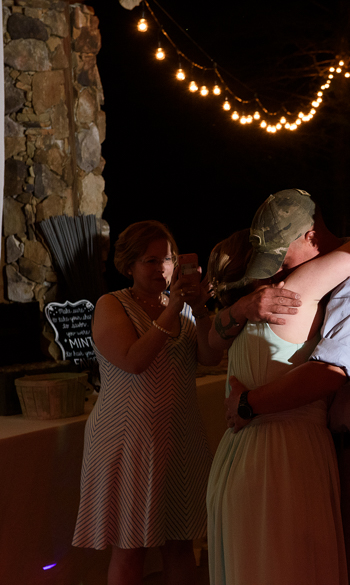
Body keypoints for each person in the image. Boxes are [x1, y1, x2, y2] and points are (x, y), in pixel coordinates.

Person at [219, 191, 350, 585]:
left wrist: (249, 403)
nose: (280, 271)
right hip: (340, 447)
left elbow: (328, 373)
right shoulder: (334, 281)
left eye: (282, 256)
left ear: (310, 236)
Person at [72, 220, 222, 585]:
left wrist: (200, 308)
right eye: (150, 261)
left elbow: (210, 356)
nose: (163, 269)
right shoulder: (112, 305)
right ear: (128, 265)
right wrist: (173, 310)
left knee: (181, 545)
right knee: (130, 547)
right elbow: (134, 361)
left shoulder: (183, 307)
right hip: (129, 443)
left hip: (180, 441)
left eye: (168, 259)